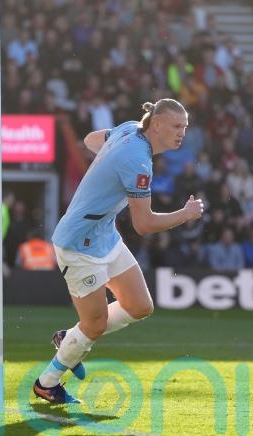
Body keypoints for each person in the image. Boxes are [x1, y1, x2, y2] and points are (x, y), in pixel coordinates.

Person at [33, 99, 204, 404]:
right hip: (78, 244)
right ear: (157, 125)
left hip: (105, 235)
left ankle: (70, 337)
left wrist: (109, 161)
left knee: (140, 306)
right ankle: (47, 383)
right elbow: (144, 224)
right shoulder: (137, 160)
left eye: (185, 127)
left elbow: (91, 140)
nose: (182, 133)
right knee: (95, 324)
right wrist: (186, 214)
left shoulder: (129, 129)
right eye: (177, 126)